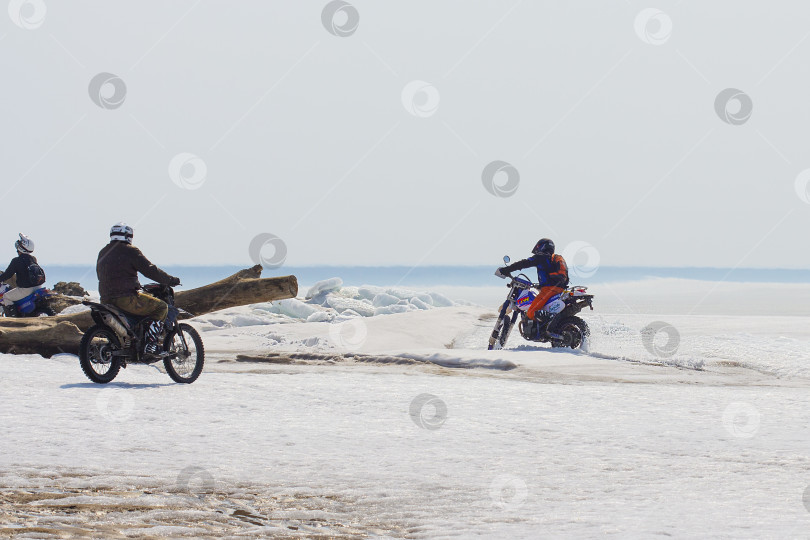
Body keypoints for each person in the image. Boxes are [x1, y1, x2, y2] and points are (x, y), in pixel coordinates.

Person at [97, 223, 180, 355]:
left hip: (105, 299)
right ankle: (150, 345)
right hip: (126, 299)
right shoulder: (130, 251)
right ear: (128, 236)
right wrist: (170, 280)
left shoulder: (103, 252)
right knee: (162, 307)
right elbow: (150, 270)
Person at [497, 238, 569, 328]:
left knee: (531, 312)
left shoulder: (541, 257)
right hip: (559, 289)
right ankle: (546, 325)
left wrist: (506, 269)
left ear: (542, 247)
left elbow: (523, 263)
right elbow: (550, 276)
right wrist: (540, 285)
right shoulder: (552, 259)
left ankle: (548, 325)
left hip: (549, 290)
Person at [0, 233, 43, 308]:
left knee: (6, 297)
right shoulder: (32, 258)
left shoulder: (16, 261)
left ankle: (13, 317)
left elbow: (7, 275)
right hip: (38, 287)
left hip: (25, 290)